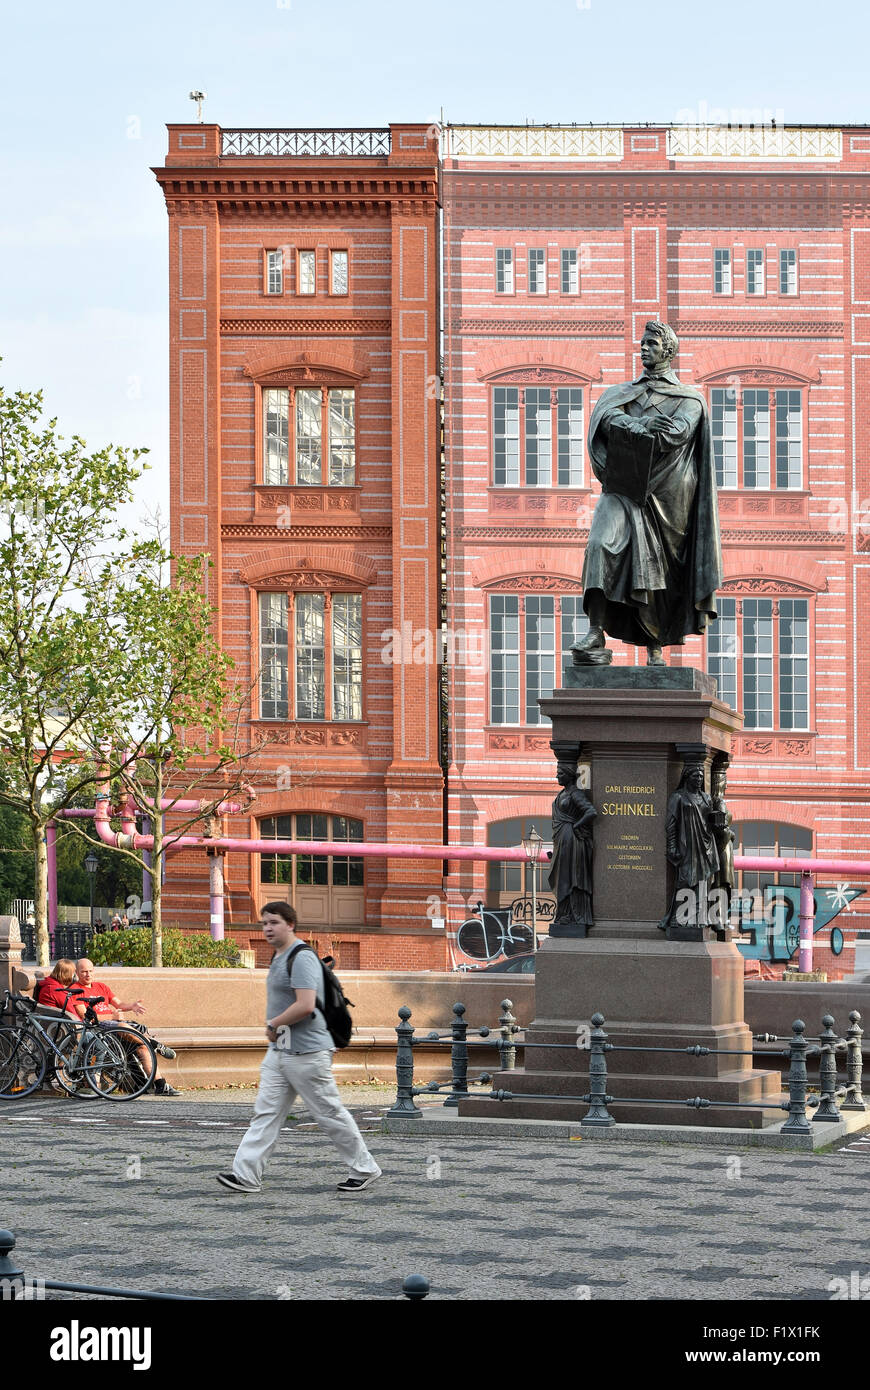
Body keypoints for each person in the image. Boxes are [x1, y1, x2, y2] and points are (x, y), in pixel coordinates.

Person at [572, 321, 722, 667]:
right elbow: (605, 419)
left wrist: (640, 429)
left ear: (668, 350)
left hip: (669, 499)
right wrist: (639, 425)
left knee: (662, 573)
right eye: (642, 343)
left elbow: (676, 434)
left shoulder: (690, 400)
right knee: (599, 544)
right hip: (624, 489)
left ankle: (656, 646)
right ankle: (595, 630)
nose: (643, 349)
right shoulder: (622, 393)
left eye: (651, 343)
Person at [216, 902, 381, 1196]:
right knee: (266, 1113)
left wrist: (274, 1024)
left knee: (328, 1112)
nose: (267, 928)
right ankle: (246, 1175)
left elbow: (305, 1005)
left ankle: (365, 1167)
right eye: (264, 923)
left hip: (307, 1052)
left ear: (291, 924)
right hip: (281, 1052)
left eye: (274, 922)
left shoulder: (301, 957)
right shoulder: (279, 956)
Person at [73, 958, 180, 1096]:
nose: (88, 975)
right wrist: (112, 1017)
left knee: (143, 1047)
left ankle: (160, 1085)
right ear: (76, 972)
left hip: (115, 1026)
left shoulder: (101, 986)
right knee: (124, 1026)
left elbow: (119, 1004)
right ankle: (154, 1043)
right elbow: (85, 1017)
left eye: (90, 971)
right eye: (84, 972)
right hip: (99, 1029)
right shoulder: (76, 990)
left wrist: (131, 1006)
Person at [658, 766, 720, 933]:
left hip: (705, 847)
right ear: (687, 776)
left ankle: (698, 919)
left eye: (701, 776)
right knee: (685, 881)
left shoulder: (706, 798)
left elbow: (709, 821)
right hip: (687, 846)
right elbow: (671, 825)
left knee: (703, 882)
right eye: (695, 775)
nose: (699, 779)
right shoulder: (677, 797)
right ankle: (678, 919)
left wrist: (717, 824)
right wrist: (672, 847)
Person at [548, 764, 597, 937]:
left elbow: (591, 811)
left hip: (572, 840)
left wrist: (575, 826)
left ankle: (574, 915)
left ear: (569, 775)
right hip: (563, 839)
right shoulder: (563, 793)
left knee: (570, 877)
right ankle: (565, 914)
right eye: (557, 773)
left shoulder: (575, 793)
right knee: (563, 876)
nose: (557, 776)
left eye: (560, 773)